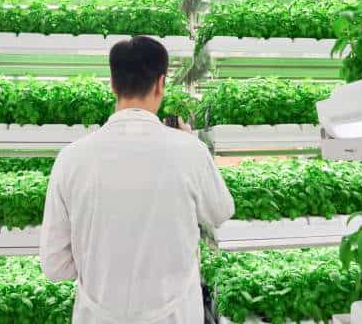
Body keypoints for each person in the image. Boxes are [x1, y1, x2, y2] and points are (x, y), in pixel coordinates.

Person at [40, 35, 235, 323]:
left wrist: (101, 271)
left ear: (112, 82)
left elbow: (55, 265)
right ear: (160, 83)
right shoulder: (189, 151)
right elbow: (220, 212)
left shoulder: (71, 159)